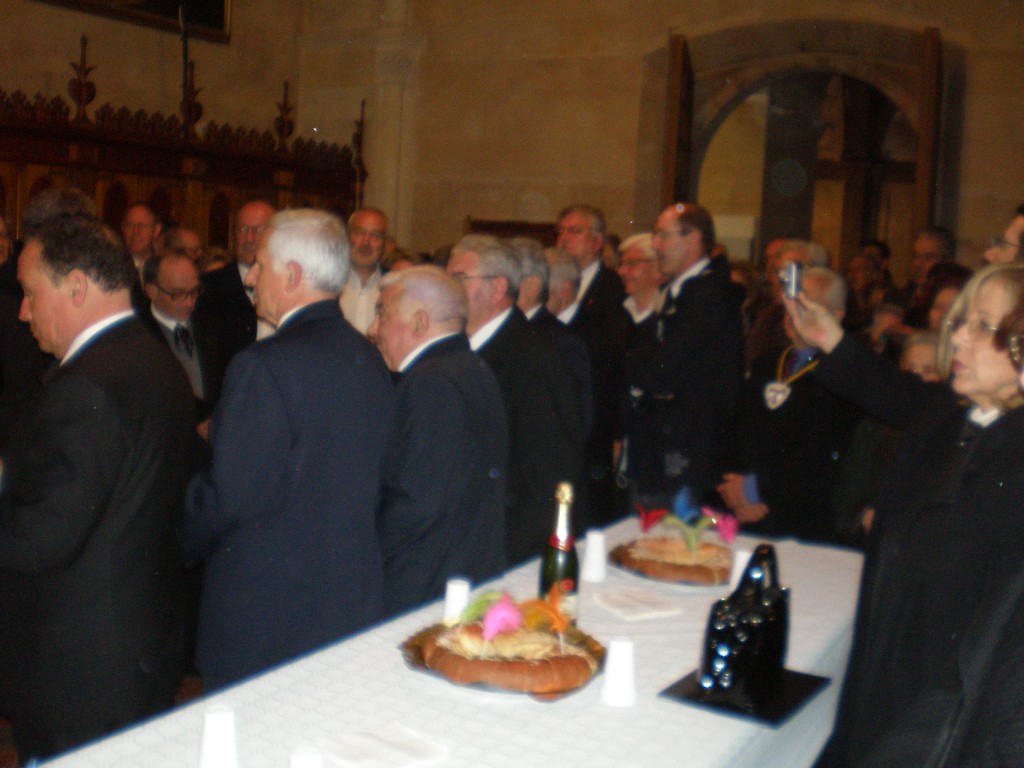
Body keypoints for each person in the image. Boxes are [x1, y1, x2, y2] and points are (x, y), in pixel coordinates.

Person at [785, 262, 1024, 767]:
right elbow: (890, 390)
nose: (957, 337)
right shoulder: (951, 417)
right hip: (885, 672)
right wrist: (830, 338)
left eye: (983, 325)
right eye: (961, 321)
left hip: (945, 717)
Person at [0, 215, 195, 761]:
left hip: (82, 667)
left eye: (30, 292)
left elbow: (42, 538)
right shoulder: (155, 360)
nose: (23, 311)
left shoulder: (87, 386)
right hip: (138, 640)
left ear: (76, 286)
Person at [182, 209, 395, 691]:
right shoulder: (368, 356)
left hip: (268, 618)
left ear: (293, 275)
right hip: (344, 605)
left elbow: (230, 497)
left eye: (260, 265)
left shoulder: (263, 366)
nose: (250, 277)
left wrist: (173, 531)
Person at [370, 266, 508, 615]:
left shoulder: (428, 384)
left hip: (425, 584)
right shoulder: (472, 367)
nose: (373, 329)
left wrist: (367, 553)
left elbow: (417, 502)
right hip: (466, 569)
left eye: (382, 314)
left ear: (419, 322)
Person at [446, 235, 584, 564]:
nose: (448, 290)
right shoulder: (461, 350)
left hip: (504, 548)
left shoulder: (533, 359)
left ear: (497, 288)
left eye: (460, 279)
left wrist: (515, 564)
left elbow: (545, 476)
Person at [716, 266, 861, 543]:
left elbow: (823, 455)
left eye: (807, 305)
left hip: (800, 517)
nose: (794, 314)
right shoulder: (768, 362)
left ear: (836, 316)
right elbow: (737, 429)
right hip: (745, 510)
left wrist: (756, 489)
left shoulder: (845, 374)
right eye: (791, 304)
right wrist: (734, 487)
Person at [623, 203, 744, 508]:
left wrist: (642, 364)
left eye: (663, 236)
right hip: (664, 444)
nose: (655, 245)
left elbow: (662, 368)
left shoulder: (708, 295)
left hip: (685, 449)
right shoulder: (680, 291)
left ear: (693, 239)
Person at [556, 205, 630, 524]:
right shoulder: (555, 283)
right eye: (561, 231)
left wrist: (618, 431)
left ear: (598, 241)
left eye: (574, 231)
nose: (564, 238)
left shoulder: (611, 287)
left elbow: (613, 362)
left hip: (599, 414)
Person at [141, 252, 226, 420]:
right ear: (152, 291)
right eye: (178, 294)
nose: (189, 302)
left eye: (194, 291)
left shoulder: (212, 323)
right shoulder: (139, 335)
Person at [194, 198, 275, 369]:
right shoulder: (208, 286)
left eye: (257, 230)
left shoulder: (288, 286)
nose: (249, 238)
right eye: (242, 229)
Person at [340, 207, 387, 334]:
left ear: (384, 244)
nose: (366, 242)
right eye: (359, 233)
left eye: (375, 236)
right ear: (347, 237)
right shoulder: (327, 287)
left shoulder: (395, 288)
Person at [121, 203, 162, 269]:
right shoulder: (112, 263)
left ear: (156, 230)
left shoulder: (163, 267)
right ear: (123, 228)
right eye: (130, 225)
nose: (135, 231)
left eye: (142, 226)